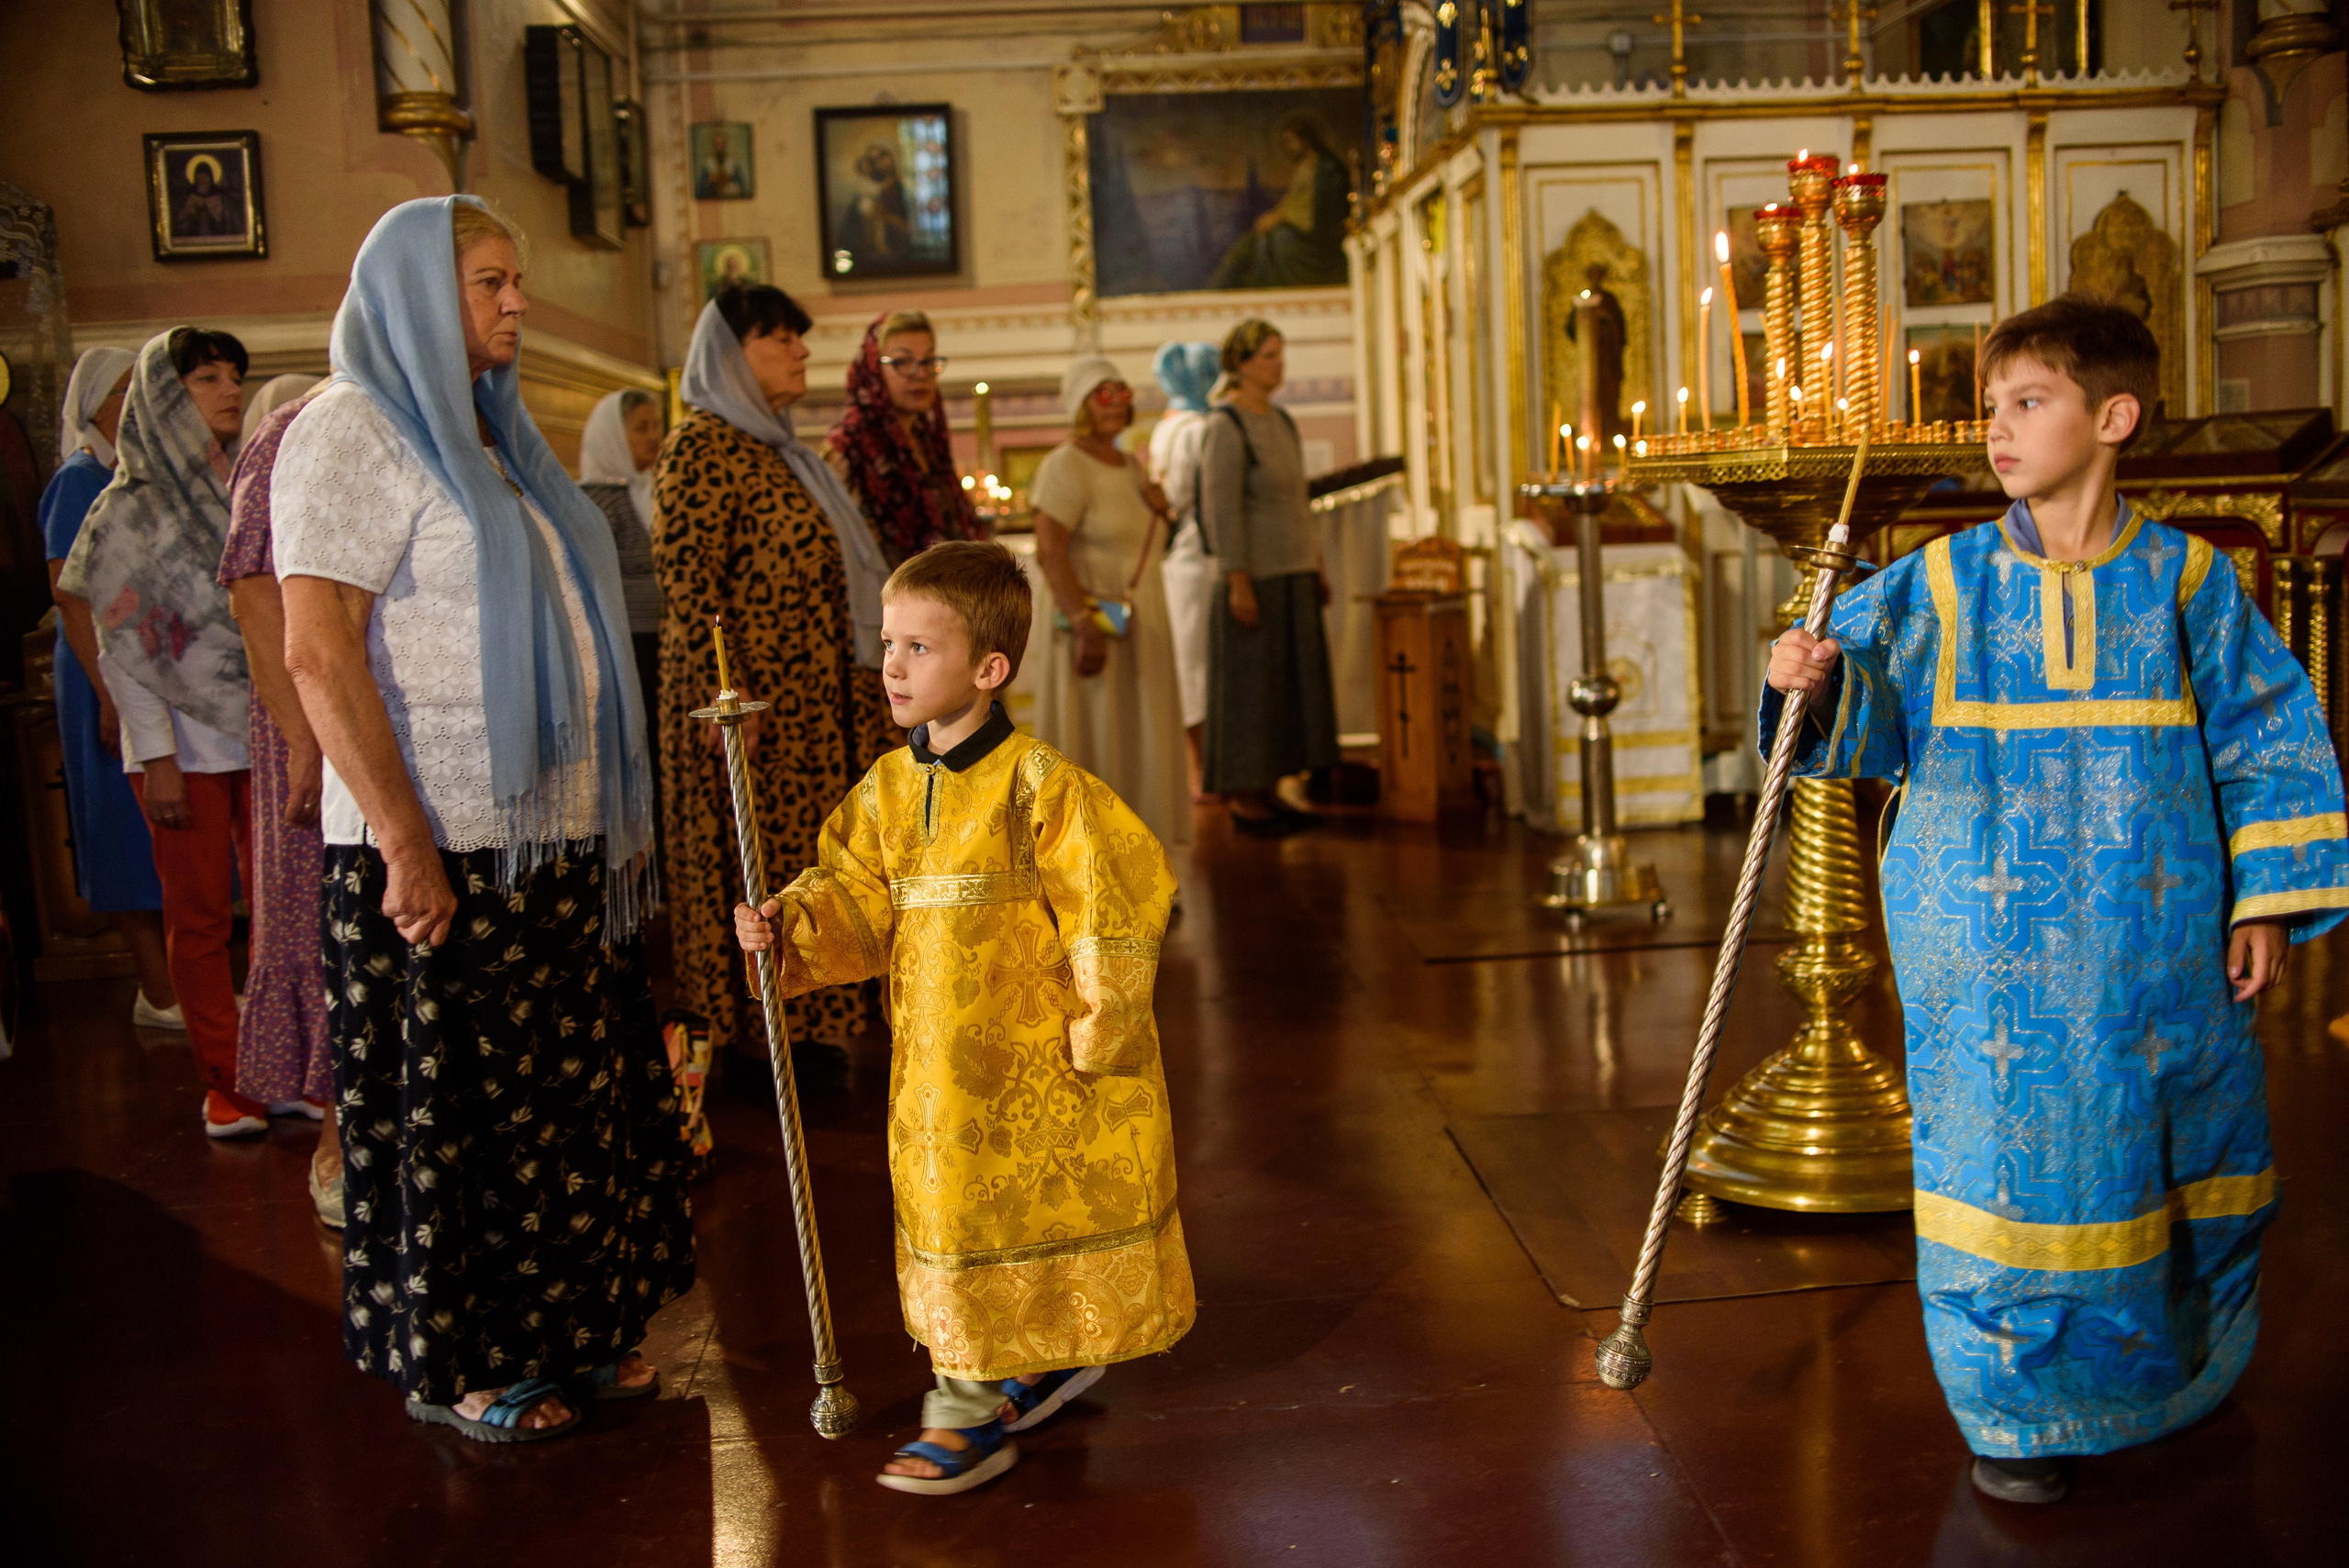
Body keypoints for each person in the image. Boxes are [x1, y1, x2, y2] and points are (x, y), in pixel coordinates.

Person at [1763, 295, 2347, 1506]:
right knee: (2002, 1179)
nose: (1998, 430)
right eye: (1991, 407)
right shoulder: (1940, 585)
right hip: (1985, 969)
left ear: (2114, 416)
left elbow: (2267, 737)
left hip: (2158, 960)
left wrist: (2268, 901)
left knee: (2159, 1157)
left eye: (2029, 403)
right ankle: (2016, 1415)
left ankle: (2155, 1382)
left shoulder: (2189, 583)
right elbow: (1840, 720)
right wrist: (1802, 677)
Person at [274, 196, 689, 1442]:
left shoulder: (494, 433)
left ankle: (573, 1330)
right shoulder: (351, 429)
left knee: (565, 1108)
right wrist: (403, 839)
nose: (517, 303)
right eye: (491, 282)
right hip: (440, 843)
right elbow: (317, 648)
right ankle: (469, 1362)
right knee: (463, 1118)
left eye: (513, 280)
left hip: (550, 848)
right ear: (410, 293)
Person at [734, 540, 1194, 1496]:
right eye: (888, 642)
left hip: (1041, 1065)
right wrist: (789, 923)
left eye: (919, 647)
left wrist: (1100, 1026)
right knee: (947, 1219)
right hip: (937, 1077)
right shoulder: (888, 789)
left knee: (1029, 1217)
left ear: (988, 669)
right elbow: (855, 894)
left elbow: (1120, 895)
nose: (892, 665)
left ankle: (974, 1409)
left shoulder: (1041, 784)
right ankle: (1002, 1377)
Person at [654, 284, 895, 1087]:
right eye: (779, 338)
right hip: (750, 716)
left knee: (808, 859)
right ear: (729, 356)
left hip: (814, 716)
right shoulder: (701, 447)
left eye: (800, 337)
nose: (800, 350)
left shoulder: (782, 451)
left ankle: (811, 1022)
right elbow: (691, 588)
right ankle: (759, 1036)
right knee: (754, 863)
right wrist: (732, 699)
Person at [56, 327, 260, 1135]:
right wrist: (160, 759)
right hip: (183, 752)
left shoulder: (242, 485)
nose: (228, 389)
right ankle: (224, 1080)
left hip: (259, 739)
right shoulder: (126, 507)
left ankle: (277, 1067)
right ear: (161, 396)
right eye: (205, 377)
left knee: (276, 913)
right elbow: (124, 648)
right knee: (202, 916)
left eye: (233, 375)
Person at [218, 372, 341, 1225]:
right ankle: (338, 1139)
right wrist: (306, 737)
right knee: (321, 919)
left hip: (379, 721)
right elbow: (254, 591)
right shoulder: (286, 438)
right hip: (314, 723)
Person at [40, 345, 177, 1030]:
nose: (132, 402)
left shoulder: (131, 472)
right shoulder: (79, 477)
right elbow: (70, 596)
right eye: (120, 391)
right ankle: (156, 990)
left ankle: (173, 985)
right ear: (91, 404)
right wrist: (106, 693)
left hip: (138, 672)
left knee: (155, 834)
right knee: (124, 835)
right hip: (101, 674)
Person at [1026, 355, 1191, 854]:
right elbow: (1051, 550)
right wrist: (1083, 625)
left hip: (1143, 622)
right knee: (1098, 737)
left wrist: (1163, 510)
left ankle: (1142, 861)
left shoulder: (1131, 464)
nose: (1117, 402)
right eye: (1103, 394)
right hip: (1094, 624)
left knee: (1144, 738)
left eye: (1122, 392)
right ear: (1080, 404)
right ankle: (1089, 866)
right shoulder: (1066, 465)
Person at [1197, 319, 1337, 836]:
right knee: (1252, 690)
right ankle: (1246, 797)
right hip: (1254, 579)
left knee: (1287, 691)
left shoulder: (1280, 420)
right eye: (1269, 356)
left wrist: (1317, 565)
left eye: (1281, 354)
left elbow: (1299, 504)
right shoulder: (1226, 426)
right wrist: (1238, 580)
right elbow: (1222, 512)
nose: (1280, 365)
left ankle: (1275, 787)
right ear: (1242, 363)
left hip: (1293, 572)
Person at [822, 310, 984, 567]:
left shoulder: (928, 441)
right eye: (902, 362)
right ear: (873, 368)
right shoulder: (846, 446)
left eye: (929, 360)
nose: (920, 374)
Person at [1147, 340, 1222, 797]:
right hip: (1195, 553)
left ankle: (1197, 768)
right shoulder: (1198, 428)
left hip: (1179, 555)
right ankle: (1200, 770)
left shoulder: (1166, 425)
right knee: (1196, 665)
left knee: (1188, 660)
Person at [578, 387, 666, 718]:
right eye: (641, 428)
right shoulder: (598, 499)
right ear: (612, 436)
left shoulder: (654, 487)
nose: (654, 436)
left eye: (656, 426)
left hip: (664, 642)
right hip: (629, 645)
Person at [1208, 113, 1351, 291]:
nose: (1289, 147)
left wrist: (1278, 218)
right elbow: (1293, 201)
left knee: (1270, 241)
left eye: (1292, 141)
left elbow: (1317, 209)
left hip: (1316, 235)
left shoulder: (1327, 168)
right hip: (1297, 226)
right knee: (1250, 243)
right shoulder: (1304, 166)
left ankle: (1253, 286)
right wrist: (1275, 216)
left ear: (1305, 140)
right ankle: (1218, 286)